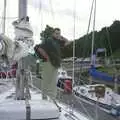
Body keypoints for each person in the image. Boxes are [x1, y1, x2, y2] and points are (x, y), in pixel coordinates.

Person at [34, 28, 71, 100]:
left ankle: (52, 99)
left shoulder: (58, 42)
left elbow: (68, 42)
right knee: (46, 81)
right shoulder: (49, 40)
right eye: (56, 33)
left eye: (59, 33)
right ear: (53, 34)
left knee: (54, 82)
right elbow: (40, 48)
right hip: (48, 63)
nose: (58, 35)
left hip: (55, 64)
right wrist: (47, 58)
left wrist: (62, 37)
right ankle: (44, 98)